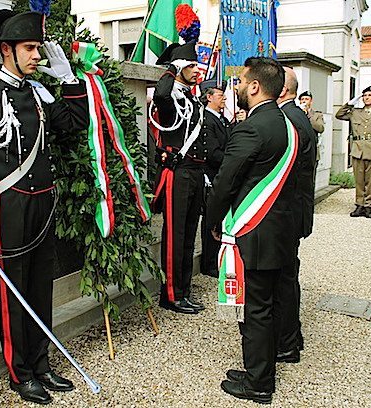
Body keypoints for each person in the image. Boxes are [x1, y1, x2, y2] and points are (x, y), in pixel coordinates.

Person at [0, 9, 88, 405]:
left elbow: (75, 124)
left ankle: (42, 362)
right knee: (14, 293)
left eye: (37, 47)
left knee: (39, 287)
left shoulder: (39, 92)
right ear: (5, 50)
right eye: (30, 48)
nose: (37, 55)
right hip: (7, 207)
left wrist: (68, 80)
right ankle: (21, 372)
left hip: (41, 205)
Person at [206, 57, 296, 404]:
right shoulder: (285, 123)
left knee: (256, 309)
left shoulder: (251, 127)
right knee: (268, 304)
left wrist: (213, 220)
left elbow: (226, 181)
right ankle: (261, 367)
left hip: (253, 230)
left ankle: (259, 384)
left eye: (242, 81)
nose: (238, 87)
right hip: (277, 231)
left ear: (255, 86)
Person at [150, 37, 207, 315]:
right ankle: (171, 295)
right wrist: (172, 68)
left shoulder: (193, 98)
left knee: (189, 235)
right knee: (175, 234)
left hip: (195, 172)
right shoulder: (170, 97)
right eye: (192, 65)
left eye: (198, 64)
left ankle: (183, 289)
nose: (198, 70)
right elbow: (160, 94)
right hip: (178, 172)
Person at [275, 67, 317, 364]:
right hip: (295, 210)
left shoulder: (289, 119)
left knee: (282, 280)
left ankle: (286, 344)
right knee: (287, 278)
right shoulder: (296, 115)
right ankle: (292, 336)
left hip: (287, 213)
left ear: (281, 90)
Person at [336, 86, 371, 219]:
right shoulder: (355, 112)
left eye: (370, 95)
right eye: (365, 95)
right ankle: (359, 204)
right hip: (358, 149)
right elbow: (339, 115)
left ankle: (368, 206)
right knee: (359, 179)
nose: (367, 98)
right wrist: (349, 104)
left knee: (370, 180)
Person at [198, 80, 231, 278]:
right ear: (209, 97)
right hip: (211, 175)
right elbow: (212, 152)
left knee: (219, 219)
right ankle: (209, 263)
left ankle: (217, 259)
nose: (224, 98)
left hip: (221, 174)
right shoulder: (207, 120)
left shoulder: (221, 119)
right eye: (220, 95)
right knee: (211, 220)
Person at [298, 90, 325, 166]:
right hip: (299, 151)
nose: (304, 101)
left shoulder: (317, 115)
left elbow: (321, 128)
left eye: (306, 99)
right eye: (302, 99)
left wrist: (308, 115)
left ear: (311, 101)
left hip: (312, 150)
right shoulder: (296, 113)